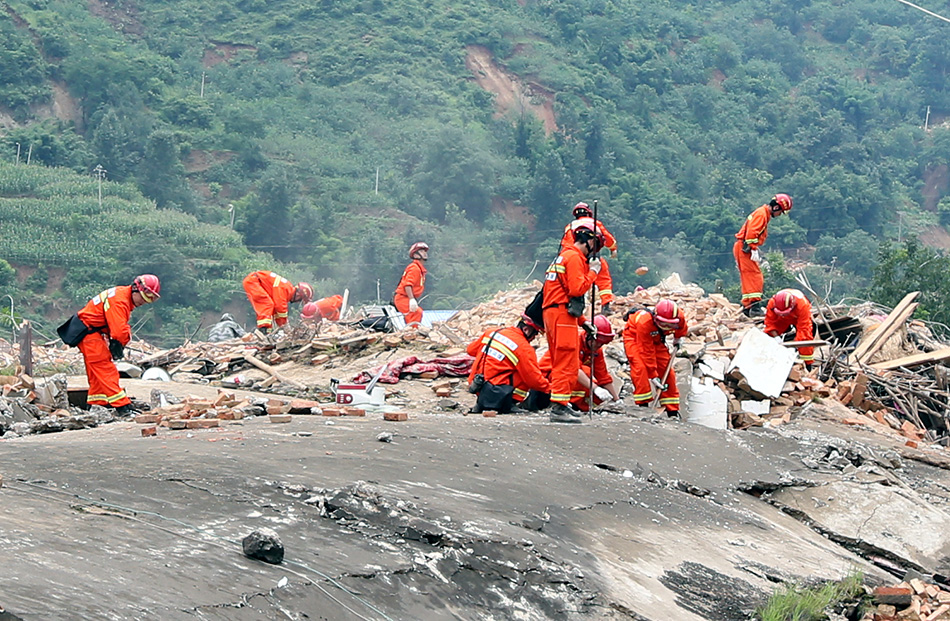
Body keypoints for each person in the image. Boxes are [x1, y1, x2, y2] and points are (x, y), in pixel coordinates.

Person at [60, 274, 161, 414]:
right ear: (136, 290)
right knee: (105, 368)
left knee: (96, 371)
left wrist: (117, 342)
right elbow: (119, 330)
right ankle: (122, 406)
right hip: (89, 332)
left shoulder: (121, 295)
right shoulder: (120, 301)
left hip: (90, 331)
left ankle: (97, 403)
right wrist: (119, 343)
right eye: (145, 298)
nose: (144, 302)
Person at [542, 217, 603, 423]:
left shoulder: (562, 257)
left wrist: (583, 321)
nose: (593, 252)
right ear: (589, 241)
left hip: (554, 314)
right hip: (561, 316)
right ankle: (559, 408)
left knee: (562, 359)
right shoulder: (575, 258)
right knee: (566, 361)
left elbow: (562, 294)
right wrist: (593, 272)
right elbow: (577, 289)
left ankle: (562, 403)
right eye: (595, 246)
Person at [466, 314, 549, 413]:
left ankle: (483, 403)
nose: (534, 338)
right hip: (499, 392)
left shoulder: (491, 332)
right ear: (526, 330)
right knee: (524, 371)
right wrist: (550, 389)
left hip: (478, 384)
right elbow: (533, 379)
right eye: (535, 333)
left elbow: (471, 350)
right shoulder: (524, 348)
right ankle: (510, 403)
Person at [539, 314, 620, 413]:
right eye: (597, 342)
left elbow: (603, 376)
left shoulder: (596, 350)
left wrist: (616, 400)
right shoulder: (573, 342)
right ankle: (566, 405)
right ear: (588, 336)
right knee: (586, 374)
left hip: (564, 378)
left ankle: (580, 406)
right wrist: (595, 388)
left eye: (601, 343)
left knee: (597, 388)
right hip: (547, 379)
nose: (598, 346)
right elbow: (574, 369)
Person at [623, 299, 688, 418]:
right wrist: (653, 375)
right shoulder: (644, 322)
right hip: (635, 336)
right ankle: (643, 406)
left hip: (657, 338)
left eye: (670, 325)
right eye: (663, 324)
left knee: (667, 370)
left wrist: (678, 338)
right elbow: (646, 351)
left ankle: (672, 411)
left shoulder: (679, 316)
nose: (666, 327)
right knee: (640, 368)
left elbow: (682, 328)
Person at [734, 193, 793, 316]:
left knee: (748, 277)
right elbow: (751, 234)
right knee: (755, 276)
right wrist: (753, 248)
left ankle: (747, 306)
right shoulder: (762, 214)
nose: (779, 215)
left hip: (743, 247)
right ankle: (755, 307)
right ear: (776, 207)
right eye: (781, 212)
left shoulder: (763, 213)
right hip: (745, 248)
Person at [560, 202, 619, 312]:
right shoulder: (595, 223)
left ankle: (572, 305)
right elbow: (608, 239)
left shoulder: (570, 226)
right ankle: (606, 305)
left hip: (574, 259)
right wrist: (613, 249)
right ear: (589, 213)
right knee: (603, 278)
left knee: (572, 283)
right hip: (592, 257)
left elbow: (566, 245)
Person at [242, 271, 313, 334]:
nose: (298, 302)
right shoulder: (285, 289)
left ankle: (266, 332)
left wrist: (282, 326)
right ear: (298, 295)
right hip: (253, 282)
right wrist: (286, 326)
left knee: (271, 307)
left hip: (255, 281)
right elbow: (280, 308)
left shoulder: (287, 289)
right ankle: (263, 330)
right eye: (300, 300)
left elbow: (277, 311)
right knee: (267, 304)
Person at [764, 288, 815, 369]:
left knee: (804, 339)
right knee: (768, 336)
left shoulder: (802, 304)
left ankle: (807, 364)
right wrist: (776, 338)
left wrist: (795, 345)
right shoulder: (772, 303)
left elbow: (803, 328)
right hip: (781, 319)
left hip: (797, 317)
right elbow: (770, 323)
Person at [394, 242, 428, 326]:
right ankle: (412, 332)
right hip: (403, 297)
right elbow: (408, 285)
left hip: (406, 297)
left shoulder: (419, 269)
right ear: (416, 255)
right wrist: (411, 299)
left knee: (415, 313)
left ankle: (412, 331)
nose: (425, 253)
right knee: (416, 312)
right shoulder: (414, 268)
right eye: (422, 251)